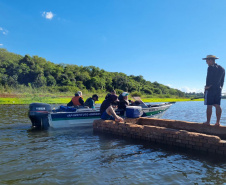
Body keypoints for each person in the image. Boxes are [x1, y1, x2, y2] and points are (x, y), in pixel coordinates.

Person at [203, 55, 225, 126]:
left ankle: (208, 122)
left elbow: (212, 79)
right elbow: (222, 81)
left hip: (210, 89)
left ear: (210, 60)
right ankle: (218, 122)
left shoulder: (210, 68)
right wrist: (220, 88)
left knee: (209, 105)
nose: (206, 62)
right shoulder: (222, 69)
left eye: (207, 61)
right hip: (218, 89)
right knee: (217, 105)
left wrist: (208, 87)